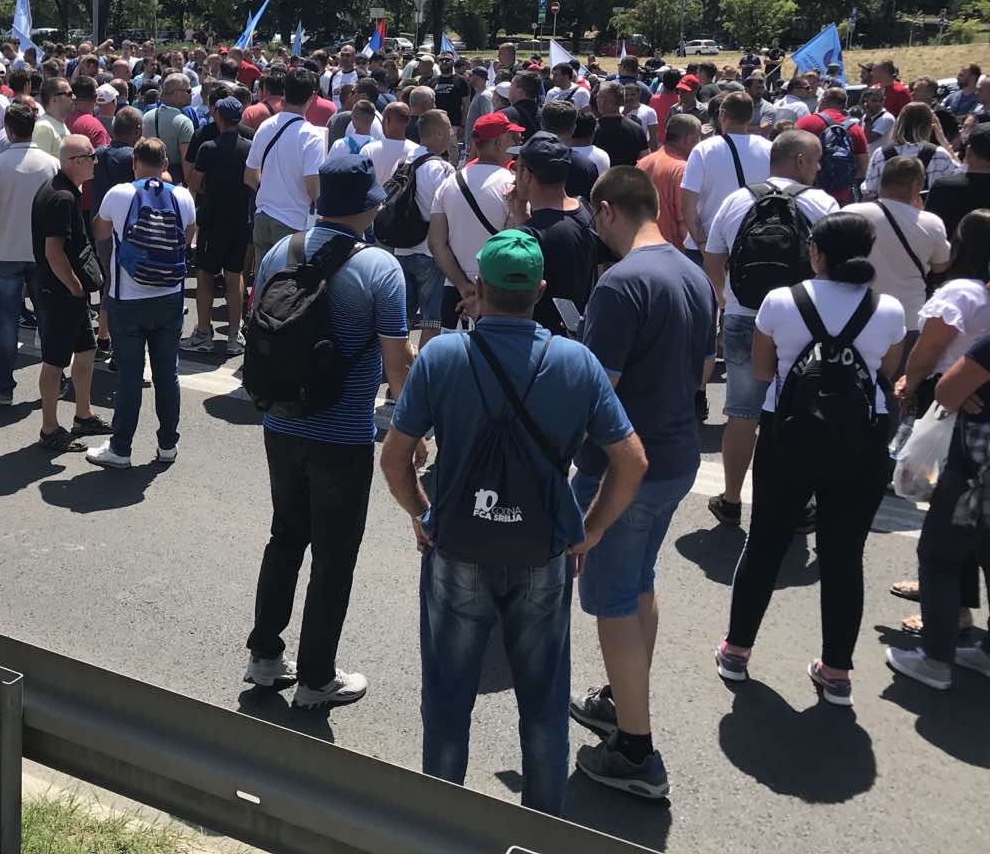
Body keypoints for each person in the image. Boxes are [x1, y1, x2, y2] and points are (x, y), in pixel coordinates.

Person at [380, 229, 646, 816]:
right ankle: (542, 830)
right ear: (542, 292)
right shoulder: (576, 362)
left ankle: (441, 822)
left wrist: (422, 513)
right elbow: (631, 461)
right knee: (545, 705)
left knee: (447, 699)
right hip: (544, 549)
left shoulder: (445, 356)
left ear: (478, 288)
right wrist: (591, 529)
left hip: (457, 546)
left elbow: (395, 458)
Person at [242, 150, 413, 708]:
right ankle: (317, 677)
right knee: (335, 556)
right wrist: (413, 431)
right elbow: (397, 365)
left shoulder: (279, 251)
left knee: (286, 536)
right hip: (341, 433)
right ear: (368, 208)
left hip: (280, 419)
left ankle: (265, 656)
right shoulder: (380, 268)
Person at [566, 169, 714, 798]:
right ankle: (623, 702)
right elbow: (705, 366)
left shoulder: (620, 284)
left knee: (611, 603)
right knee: (639, 583)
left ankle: (635, 749)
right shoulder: (694, 274)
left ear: (606, 211)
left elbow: (596, 391)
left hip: (624, 468)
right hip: (677, 457)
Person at [719, 213, 905, 704]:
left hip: (787, 434)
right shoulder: (887, 309)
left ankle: (736, 651)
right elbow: (887, 372)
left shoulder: (782, 301)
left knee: (765, 544)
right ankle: (837, 671)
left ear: (815, 254)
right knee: (844, 556)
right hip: (861, 443)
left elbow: (762, 369)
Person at [702, 129, 838, 525]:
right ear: (799, 161)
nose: (818, 167)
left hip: (745, 318)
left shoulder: (737, 200)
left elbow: (713, 258)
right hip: (804, 321)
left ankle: (730, 500)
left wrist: (727, 300)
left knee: (742, 413)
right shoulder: (821, 203)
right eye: (815, 160)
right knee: (799, 412)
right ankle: (795, 507)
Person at [886, 331, 990, 689]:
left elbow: (947, 391)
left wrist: (964, 390)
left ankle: (935, 661)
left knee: (939, 557)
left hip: (977, 473)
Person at [88, 139, 197, 468]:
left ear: (134, 162)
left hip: (127, 300)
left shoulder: (119, 194)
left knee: (130, 376)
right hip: (169, 298)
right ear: (165, 163)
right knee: (168, 375)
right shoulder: (182, 196)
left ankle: (121, 449)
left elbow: (101, 233)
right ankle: (167, 445)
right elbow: (187, 237)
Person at [0, 100, 60, 405]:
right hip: (43, 253)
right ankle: (55, 383)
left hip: (5, 251)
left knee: (7, 321)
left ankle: (4, 387)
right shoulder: (51, 163)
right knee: (48, 319)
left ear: (7, 129)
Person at [30, 135, 111, 451]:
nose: (96, 161)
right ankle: (49, 429)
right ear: (74, 161)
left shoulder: (64, 191)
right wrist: (75, 286)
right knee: (54, 362)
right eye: (91, 156)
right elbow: (54, 251)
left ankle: (83, 414)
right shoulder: (61, 197)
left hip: (66, 291)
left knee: (87, 350)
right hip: (60, 291)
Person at [846, 156, 952, 353]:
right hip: (906, 318)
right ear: (915, 185)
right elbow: (940, 265)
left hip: (852, 314)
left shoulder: (850, 212)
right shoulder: (931, 222)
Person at [504, 133, 604, 337]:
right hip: (577, 334)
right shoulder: (584, 209)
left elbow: (513, 293)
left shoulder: (530, 234)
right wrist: (521, 212)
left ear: (527, 176)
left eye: (517, 167)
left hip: (540, 342)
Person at [429, 112, 520, 329]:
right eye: (511, 138)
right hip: (497, 293)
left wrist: (463, 286)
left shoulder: (448, 183)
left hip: (454, 293)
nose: (515, 143)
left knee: (453, 357)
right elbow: (513, 242)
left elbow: (436, 243)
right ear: (498, 142)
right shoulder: (513, 186)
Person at [184, 97, 253, 354]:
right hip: (240, 219)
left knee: (205, 274)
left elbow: (193, 183)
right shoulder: (249, 147)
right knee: (235, 277)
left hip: (213, 220)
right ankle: (235, 336)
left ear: (218, 117)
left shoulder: (208, 148)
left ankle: (203, 332)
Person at [386, 110, 454, 347]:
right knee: (431, 321)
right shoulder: (442, 169)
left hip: (402, 248)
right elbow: (448, 210)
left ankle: (393, 369)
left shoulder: (404, 161)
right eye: (448, 131)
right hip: (429, 252)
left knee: (400, 319)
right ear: (437, 133)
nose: (451, 135)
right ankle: (423, 371)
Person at [244, 69, 326, 264]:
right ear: (312, 96)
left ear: (284, 92)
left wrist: (271, 191)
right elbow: (314, 189)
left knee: (264, 284)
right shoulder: (312, 135)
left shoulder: (265, 126)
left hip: (263, 217)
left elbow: (249, 176)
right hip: (293, 223)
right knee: (286, 290)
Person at [680, 91, 772, 261]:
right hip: (753, 245)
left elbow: (687, 205)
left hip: (707, 246)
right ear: (750, 117)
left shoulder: (703, 149)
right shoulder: (770, 149)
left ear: (722, 114)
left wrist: (702, 245)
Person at [864, 101, 959, 199]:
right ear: (928, 125)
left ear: (899, 122)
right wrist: (943, 142)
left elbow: (870, 191)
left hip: (890, 211)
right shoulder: (939, 154)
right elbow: (962, 176)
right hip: (926, 211)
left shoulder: (881, 154)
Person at [639, 112, 703, 250]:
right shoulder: (682, 169)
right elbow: (685, 221)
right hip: (673, 252)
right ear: (689, 139)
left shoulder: (643, 163)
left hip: (643, 248)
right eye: (698, 138)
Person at [143, 73, 196, 178]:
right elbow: (187, 162)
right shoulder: (184, 122)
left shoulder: (146, 117)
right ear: (177, 94)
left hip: (147, 178)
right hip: (175, 181)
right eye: (189, 91)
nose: (192, 94)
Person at [592, 82, 649, 168]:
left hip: (600, 180)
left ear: (602, 101)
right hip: (628, 178)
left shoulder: (592, 129)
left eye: (598, 96)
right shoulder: (637, 129)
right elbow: (645, 160)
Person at [31, 76, 73, 156]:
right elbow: (41, 164)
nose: (74, 97)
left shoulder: (59, 123)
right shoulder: (44, 127)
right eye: (69, 94)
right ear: (54, 99)